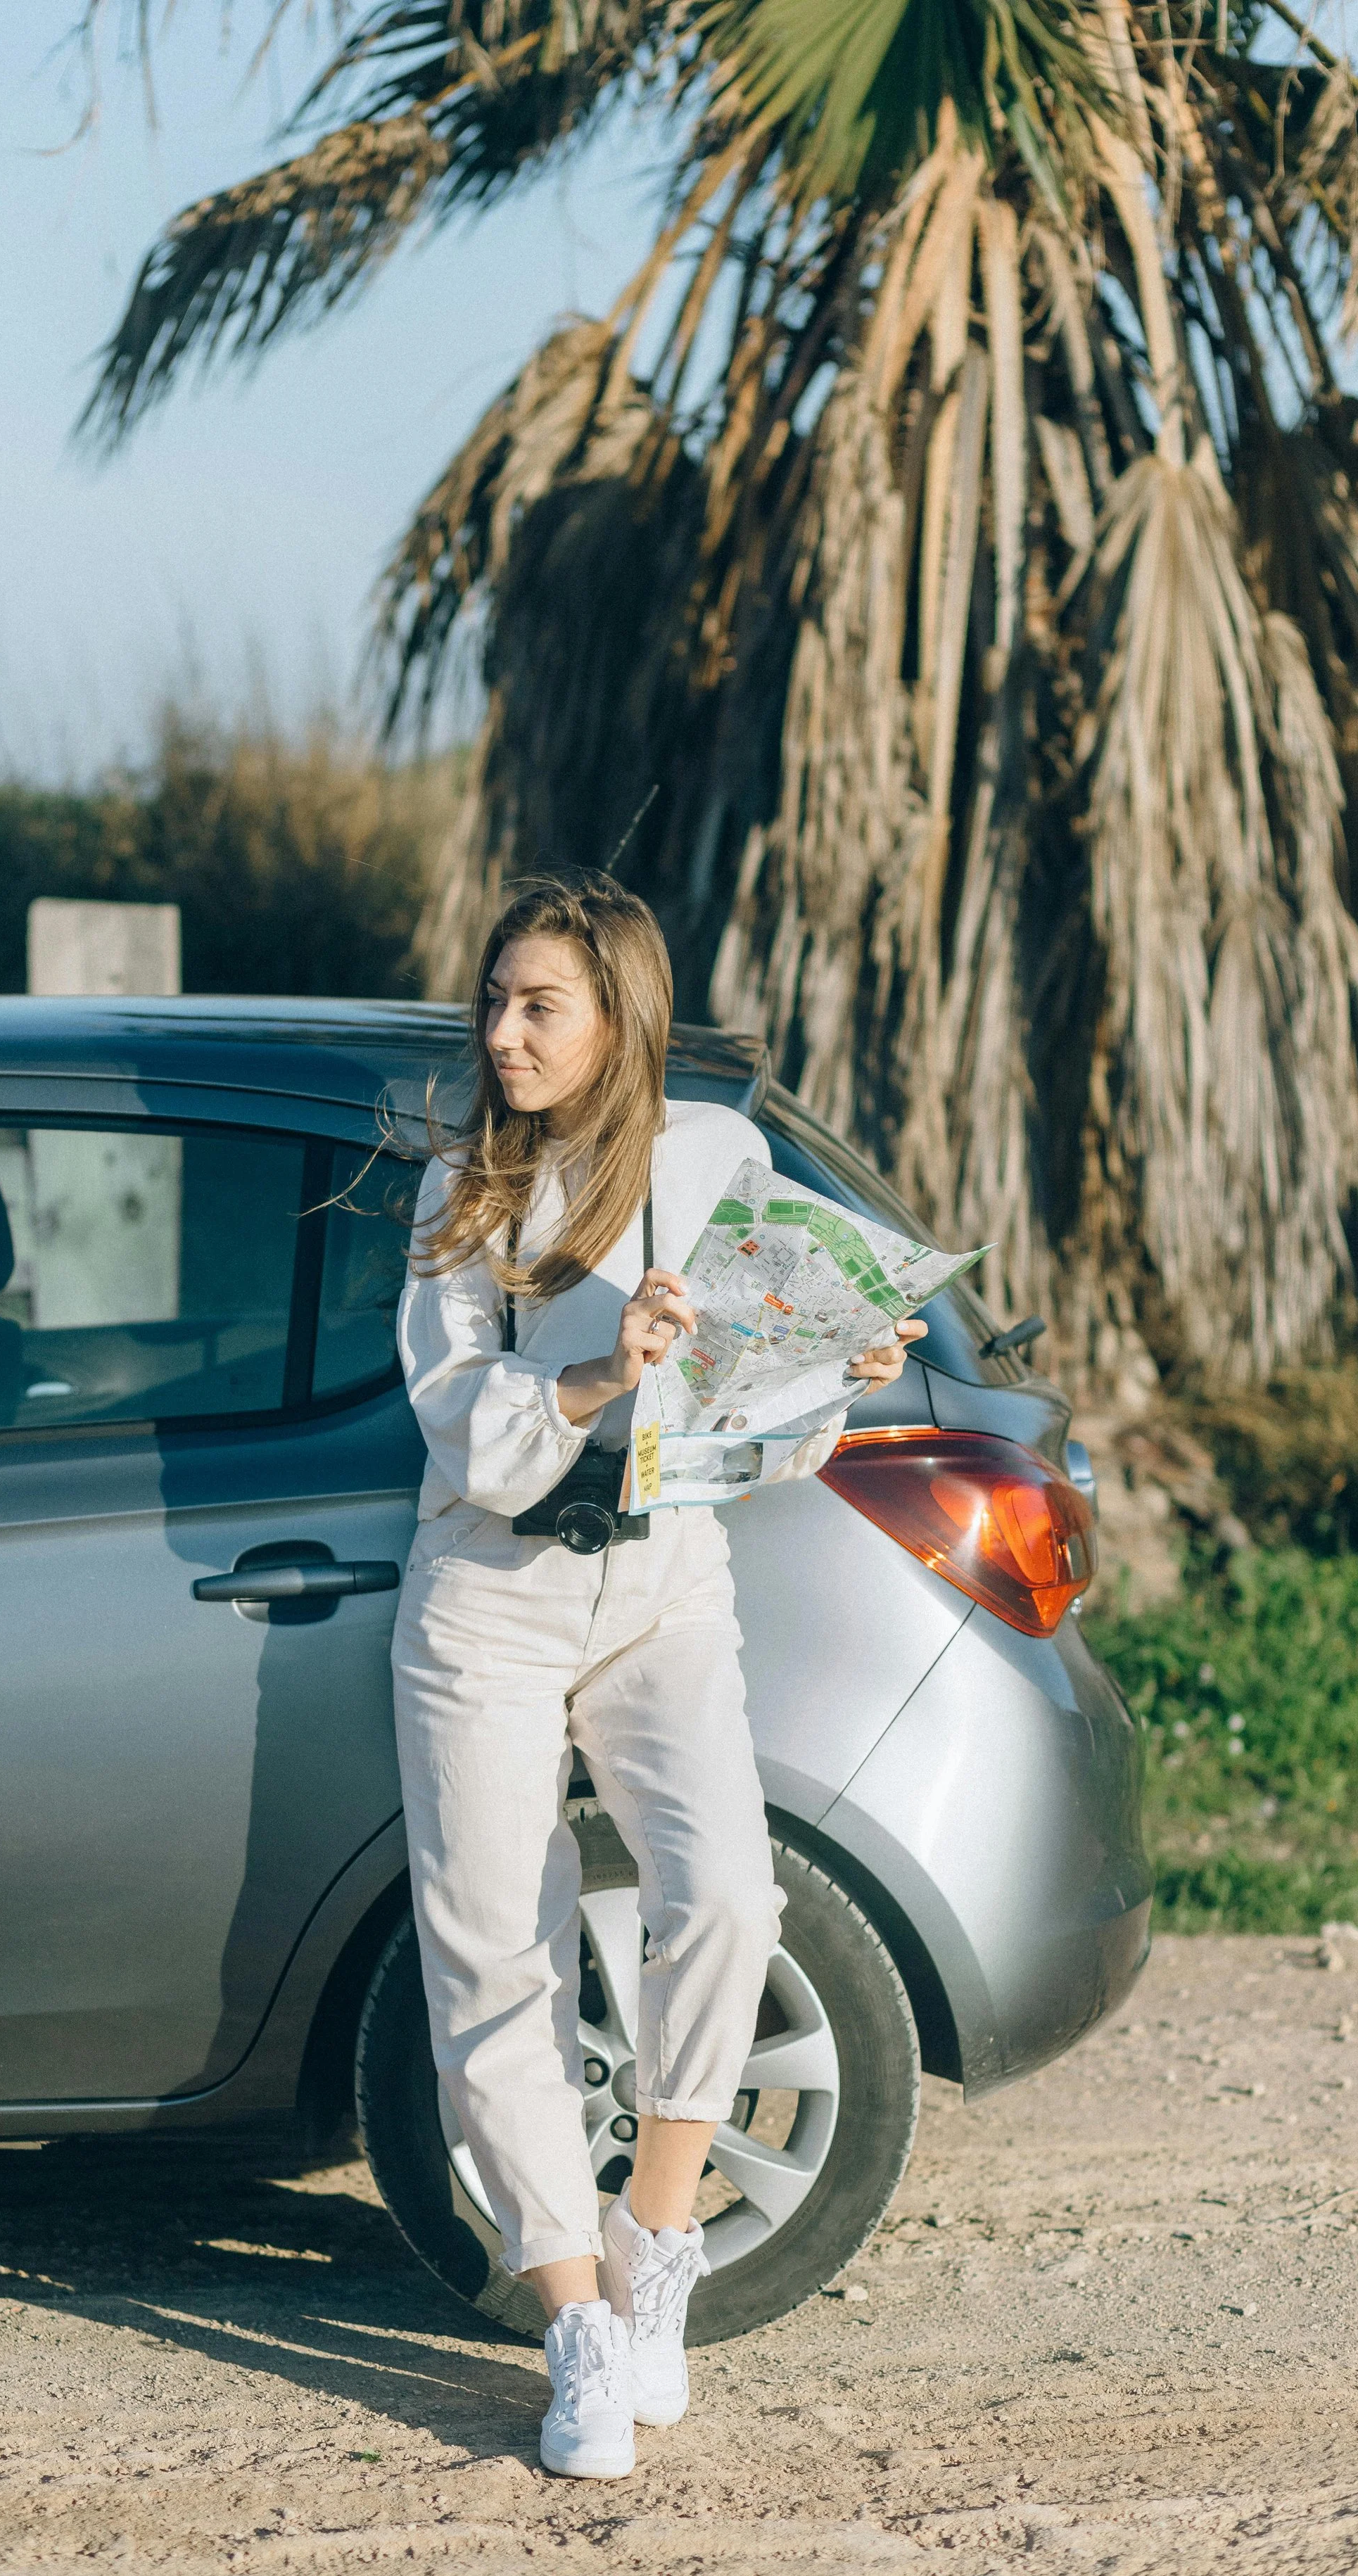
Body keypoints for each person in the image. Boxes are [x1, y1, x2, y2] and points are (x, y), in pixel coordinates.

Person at [391, 873, 924, 2480]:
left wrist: (836, 1368)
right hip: (485, 1592)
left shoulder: (708, 1157)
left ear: (617, 1015)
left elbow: (753, 1413)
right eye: (493, 1002)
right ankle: (571, 2330)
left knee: (726, 1896)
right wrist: (585, 1376)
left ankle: (657, 2246)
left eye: (538, 1005)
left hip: (662, 1573)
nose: (503, 1034)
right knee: (496, 1957)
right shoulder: (462, 1188)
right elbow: (459, 1426)